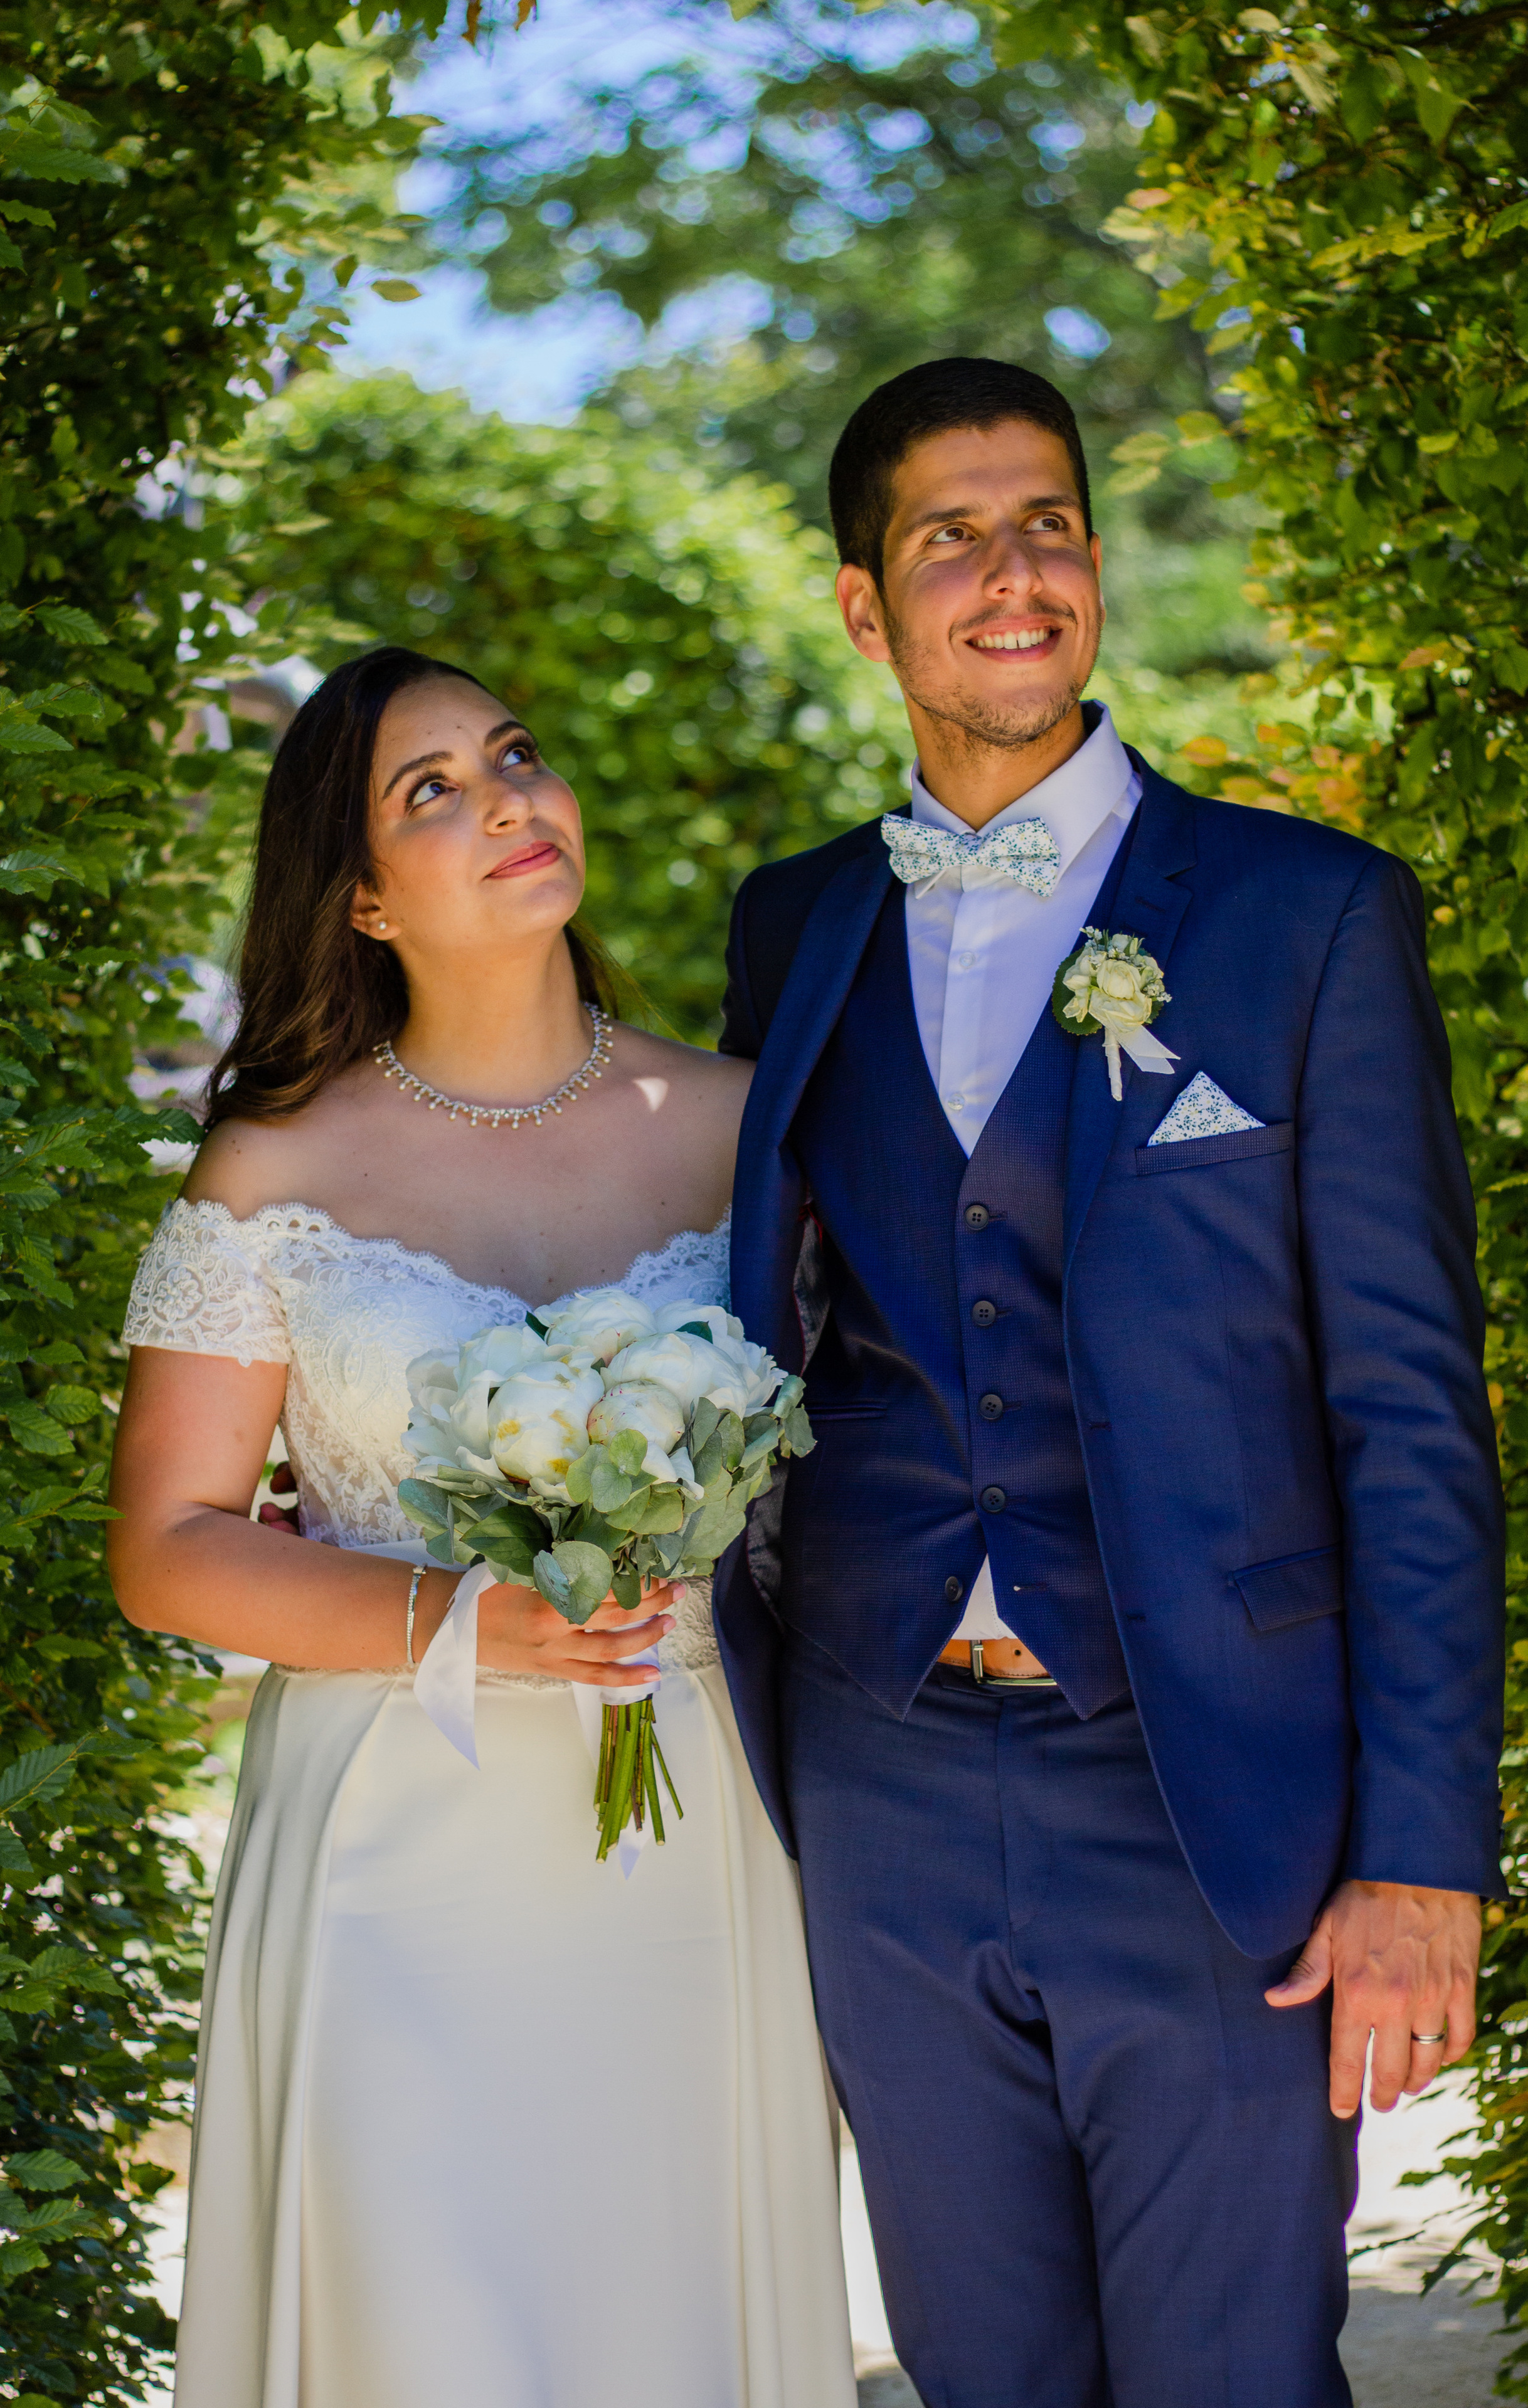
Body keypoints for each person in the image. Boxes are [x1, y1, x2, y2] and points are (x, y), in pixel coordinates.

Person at [714, 357, 1506, 2408]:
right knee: (982, 2378)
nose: (1016, 572)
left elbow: (1411, 1415)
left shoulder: (1305, 914)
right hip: (874, 1773)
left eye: (1049, 521)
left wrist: (1426, 1854)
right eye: (952, 535)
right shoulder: (787, 926)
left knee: (1236, 2378)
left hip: (1210, 1787)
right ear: (864, 610)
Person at [107, 647, 856, 2408]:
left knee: (665, 2320)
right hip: (393, 1859)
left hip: (693, 1848)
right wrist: (460, 1620)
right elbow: (169, 1548)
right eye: (429, 790)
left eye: (514, 755)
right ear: (358, 896)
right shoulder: (273, 1170)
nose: (508, 798)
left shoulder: (749, 1133)